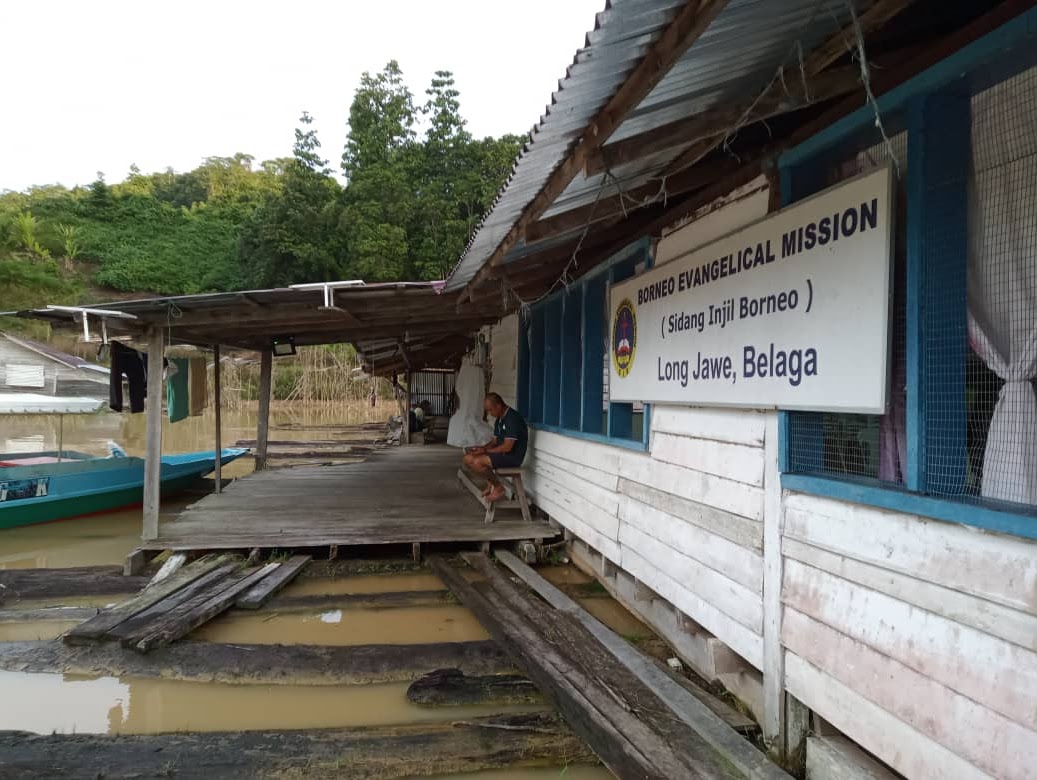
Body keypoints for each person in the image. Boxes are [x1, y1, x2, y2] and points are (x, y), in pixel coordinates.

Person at [462, 392, 528, 502]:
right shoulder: (500, 419)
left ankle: (498, 487)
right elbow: (495, 441)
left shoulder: (512, 419)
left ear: (499, 406)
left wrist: (485, 451)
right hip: (502, 454)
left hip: (512, 457)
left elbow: (507, 447)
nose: (489, 413)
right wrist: (481, 448)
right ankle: (491, 482)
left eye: (490, 410)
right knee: (468, 458)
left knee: (478, 462)